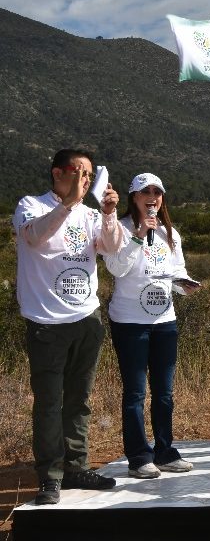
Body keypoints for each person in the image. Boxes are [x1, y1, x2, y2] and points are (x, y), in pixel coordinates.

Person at [14, 149, 123, 504]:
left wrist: (109, 214)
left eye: (89, 175)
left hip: (87, 319)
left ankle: (76, 467)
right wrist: (67, 204)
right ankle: (50, 476)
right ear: (57, 173)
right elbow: (35, 237)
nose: (85, 180)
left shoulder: (90, 214)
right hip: (46, 323)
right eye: (79, 172)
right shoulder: (31, 205)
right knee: (49, 403)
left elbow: (111, 247)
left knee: (79, 400)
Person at [104, 173, 200, 479]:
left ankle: (164, 451)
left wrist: (185, 285)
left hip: (164, 322)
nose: (153, 197)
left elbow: (177, 271)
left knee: (164, 393)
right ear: (134, 197)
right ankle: (138, 457)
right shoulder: (119, 228)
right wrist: (138, 235)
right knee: (135, 392)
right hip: (130, 322)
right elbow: (116, 268)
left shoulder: (170, 233)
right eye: (146, 192)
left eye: (157, 192)